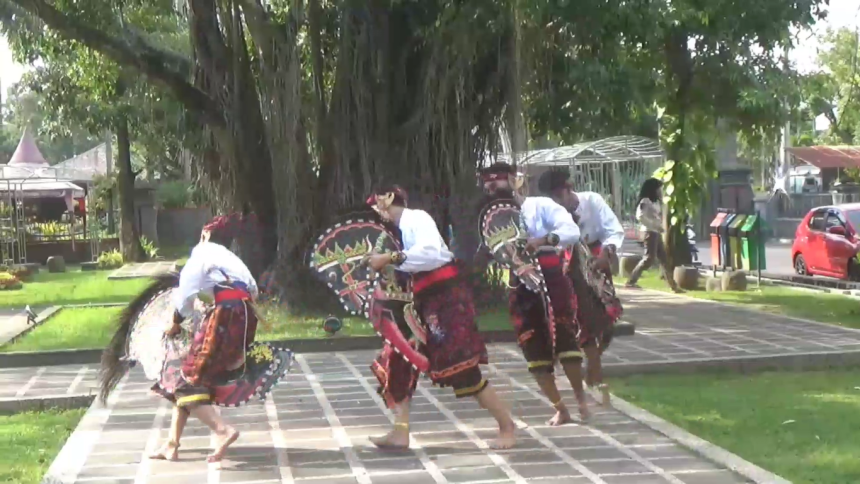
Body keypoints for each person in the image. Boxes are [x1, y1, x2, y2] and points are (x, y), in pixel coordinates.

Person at [364, 185, 517, 449]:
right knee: (398, 358)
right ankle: (400, 431)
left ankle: (507, 425)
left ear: (387, 201)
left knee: (462, 367)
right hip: (421, 303)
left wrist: (388, 257)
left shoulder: (416, 218)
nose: (377, 213)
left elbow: (431, 252)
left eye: (377, 206)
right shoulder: (395, 231)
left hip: (446, 299)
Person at [480, 162, 590, 425]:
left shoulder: (538, 206)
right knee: (532, 345)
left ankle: (582, 402)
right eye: (487, 183)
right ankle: (560, 408)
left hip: (551, 275)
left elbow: (571, 232)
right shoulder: (489, 219)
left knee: (565, 336)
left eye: (497, 181)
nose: (492, 187)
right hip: (520, 284)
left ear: (512, 180)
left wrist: (543, 240)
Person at [147, 230, 261, 463]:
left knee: (187, 380)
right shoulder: (227, 256)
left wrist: (175, 323)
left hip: (226, 316)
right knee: (192, 378)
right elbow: (253, 291)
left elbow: (184, 301)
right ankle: (171, 444)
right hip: (246, 316)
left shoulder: (198, 258)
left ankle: (222, 430)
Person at [537, 168, 624, 405]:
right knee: (583, 318)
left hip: (597, 260)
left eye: (557, 197)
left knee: (607, 320)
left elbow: (613, 229)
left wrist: (607, 253)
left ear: (568, 188)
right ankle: (594, 374)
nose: (556, 203)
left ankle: (592, 362)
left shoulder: (592, 201)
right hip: (570, 267)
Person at [625, 178, 682, 292]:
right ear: (653, 189)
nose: (660, 191)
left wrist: (658, 227)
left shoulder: (656, 201)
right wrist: (653, 225)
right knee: (649, 259)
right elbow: (640, 216)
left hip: (656, 232)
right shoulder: (645, 201)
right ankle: (631, 281)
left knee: (664, 259)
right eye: (658, 189)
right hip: (649, 232)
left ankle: (673, 286)